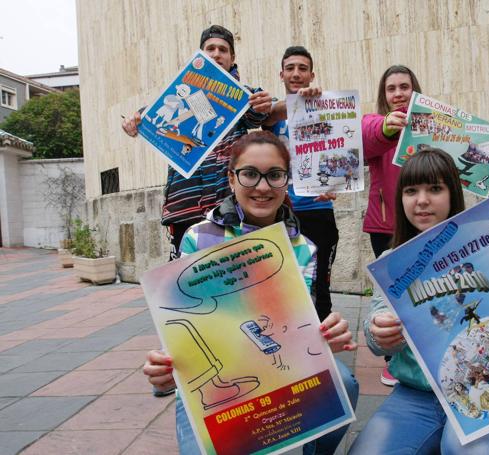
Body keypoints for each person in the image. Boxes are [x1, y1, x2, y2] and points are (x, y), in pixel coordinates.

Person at [143, 131, 359, 455]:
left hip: (278, 372)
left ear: (287, 180)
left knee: (346, 384)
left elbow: (298, 326)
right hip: (214, 388)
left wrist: (326, 336)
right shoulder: (196, 238)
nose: (262, 187)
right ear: (231, 179)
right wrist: (168, 368)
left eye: (274, 175)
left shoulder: (304, 248)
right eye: (249, 174)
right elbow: (179, 324)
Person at [349, 148, 489, 454]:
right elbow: (377, 334)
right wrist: (378, 332)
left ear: (453, 194)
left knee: (472, 451)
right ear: (400, 199)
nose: (422, 200)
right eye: (411, 190)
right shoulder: (392, 264)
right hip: (417, 395)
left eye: (435, 189)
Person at [362, 64, 489, 386]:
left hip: (440, 230)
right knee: (395, 295)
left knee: (440, 290)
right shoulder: (376, 126)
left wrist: (487, 167)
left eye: (405, 86)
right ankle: (397, 360)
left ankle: (445, 352)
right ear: (383, 96)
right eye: (391, 88)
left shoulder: (435, 130)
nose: (399, 93)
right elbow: (364, 136)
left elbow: (458, 164)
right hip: (388, 228)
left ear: (417, 91)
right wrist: (387, 127)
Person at [122, 25, 273, 260]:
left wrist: (264, 103)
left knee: (233, 282)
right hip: (185, 207)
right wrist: (134, 122)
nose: (216, 54)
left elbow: (258, 113)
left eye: (223, 49)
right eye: (210, 48)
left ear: (232, 58)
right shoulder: (179, 93)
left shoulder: (245, 97)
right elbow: (150, 117)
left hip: (230, 209)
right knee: (187, 284)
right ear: (200, 54)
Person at [263, 46, 339, 322]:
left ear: (311, 75)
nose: (296, 73)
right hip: (280, 214)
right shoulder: (269, 114)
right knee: (282, 286)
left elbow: (339, 156)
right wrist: (297, 103)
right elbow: (267, 115)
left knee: (320, 287)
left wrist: (338, 184)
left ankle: (323, 352)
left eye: (302, 69)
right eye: (290, 68)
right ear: (281, 74)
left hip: (319, 212)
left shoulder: (327, 110)